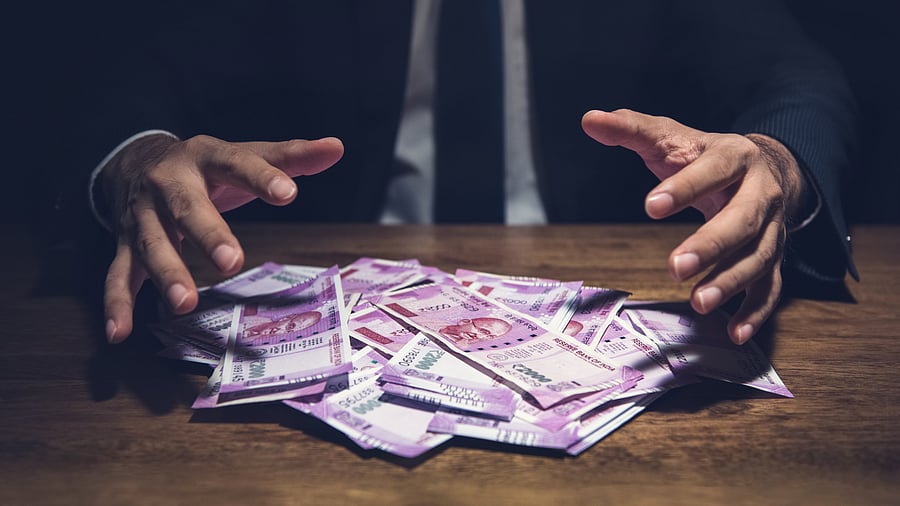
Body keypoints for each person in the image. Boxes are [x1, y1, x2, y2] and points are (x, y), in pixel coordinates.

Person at [78, 1, 857, 346]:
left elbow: (800, 74)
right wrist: (137, 155)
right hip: (333, 287)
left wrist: (779, 163)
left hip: (602, 281)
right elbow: (133, 71)